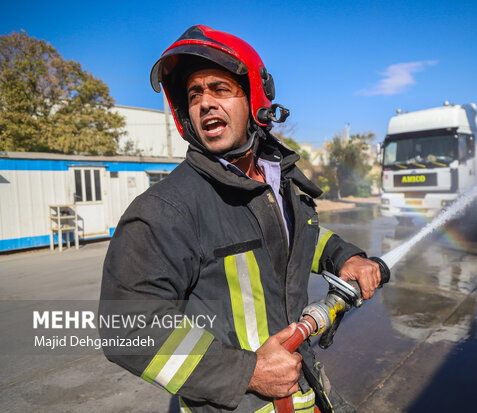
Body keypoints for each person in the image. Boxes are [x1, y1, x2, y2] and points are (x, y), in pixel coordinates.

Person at [99, 25, 381, 413]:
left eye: (220, 89)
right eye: (194, 94)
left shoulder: (274, 182)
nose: (204, 103)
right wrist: (245, 372)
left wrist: (345, 257)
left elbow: (298, 237)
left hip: (303, 393)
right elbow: (127, 328)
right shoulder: (165, 209)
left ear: (255, 100)